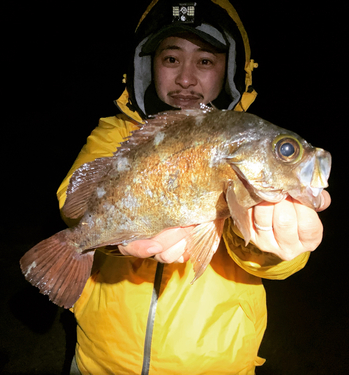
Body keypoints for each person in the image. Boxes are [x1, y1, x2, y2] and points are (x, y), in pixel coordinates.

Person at [57, 1, 331, 374]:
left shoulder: (239, 137)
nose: (186, 78)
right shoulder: (116, 132)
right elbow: (70, 202)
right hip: (102, 361)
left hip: (215, 364)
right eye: (171, 59)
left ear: (229, 69)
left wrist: (271, 246)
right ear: (148, 65)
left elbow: (282, 265)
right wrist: (104, 239)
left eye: (204, 61)